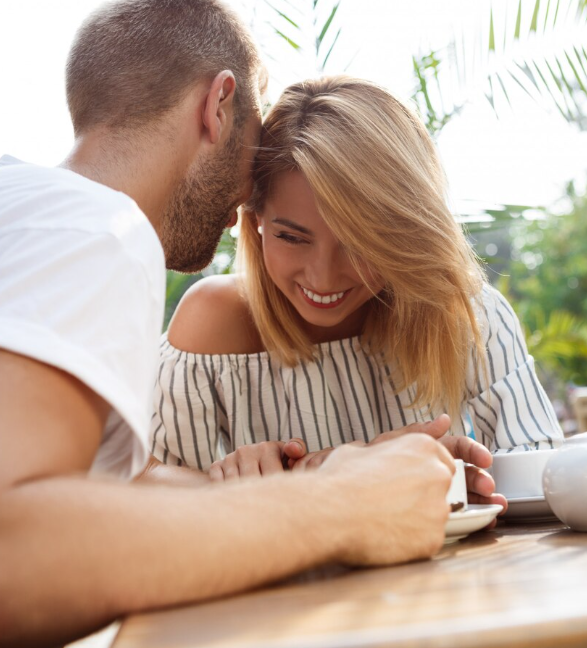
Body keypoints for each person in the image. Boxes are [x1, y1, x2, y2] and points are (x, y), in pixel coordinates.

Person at [0, 4, 462, 647]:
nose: (250, 192)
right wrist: (344, 508)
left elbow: (108, 499)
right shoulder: (91, 229)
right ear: (218, 105)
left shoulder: (2, 214)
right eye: (255, 132)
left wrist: (334, 474)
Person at [152, 76, 563, 495]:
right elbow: (143, 501)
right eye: (291, 237)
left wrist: (472, 486)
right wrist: (263, 486)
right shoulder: (211, 325)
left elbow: (544, 477)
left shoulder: (464, 313)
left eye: (359, 243)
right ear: (255, 219)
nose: (323, 278)